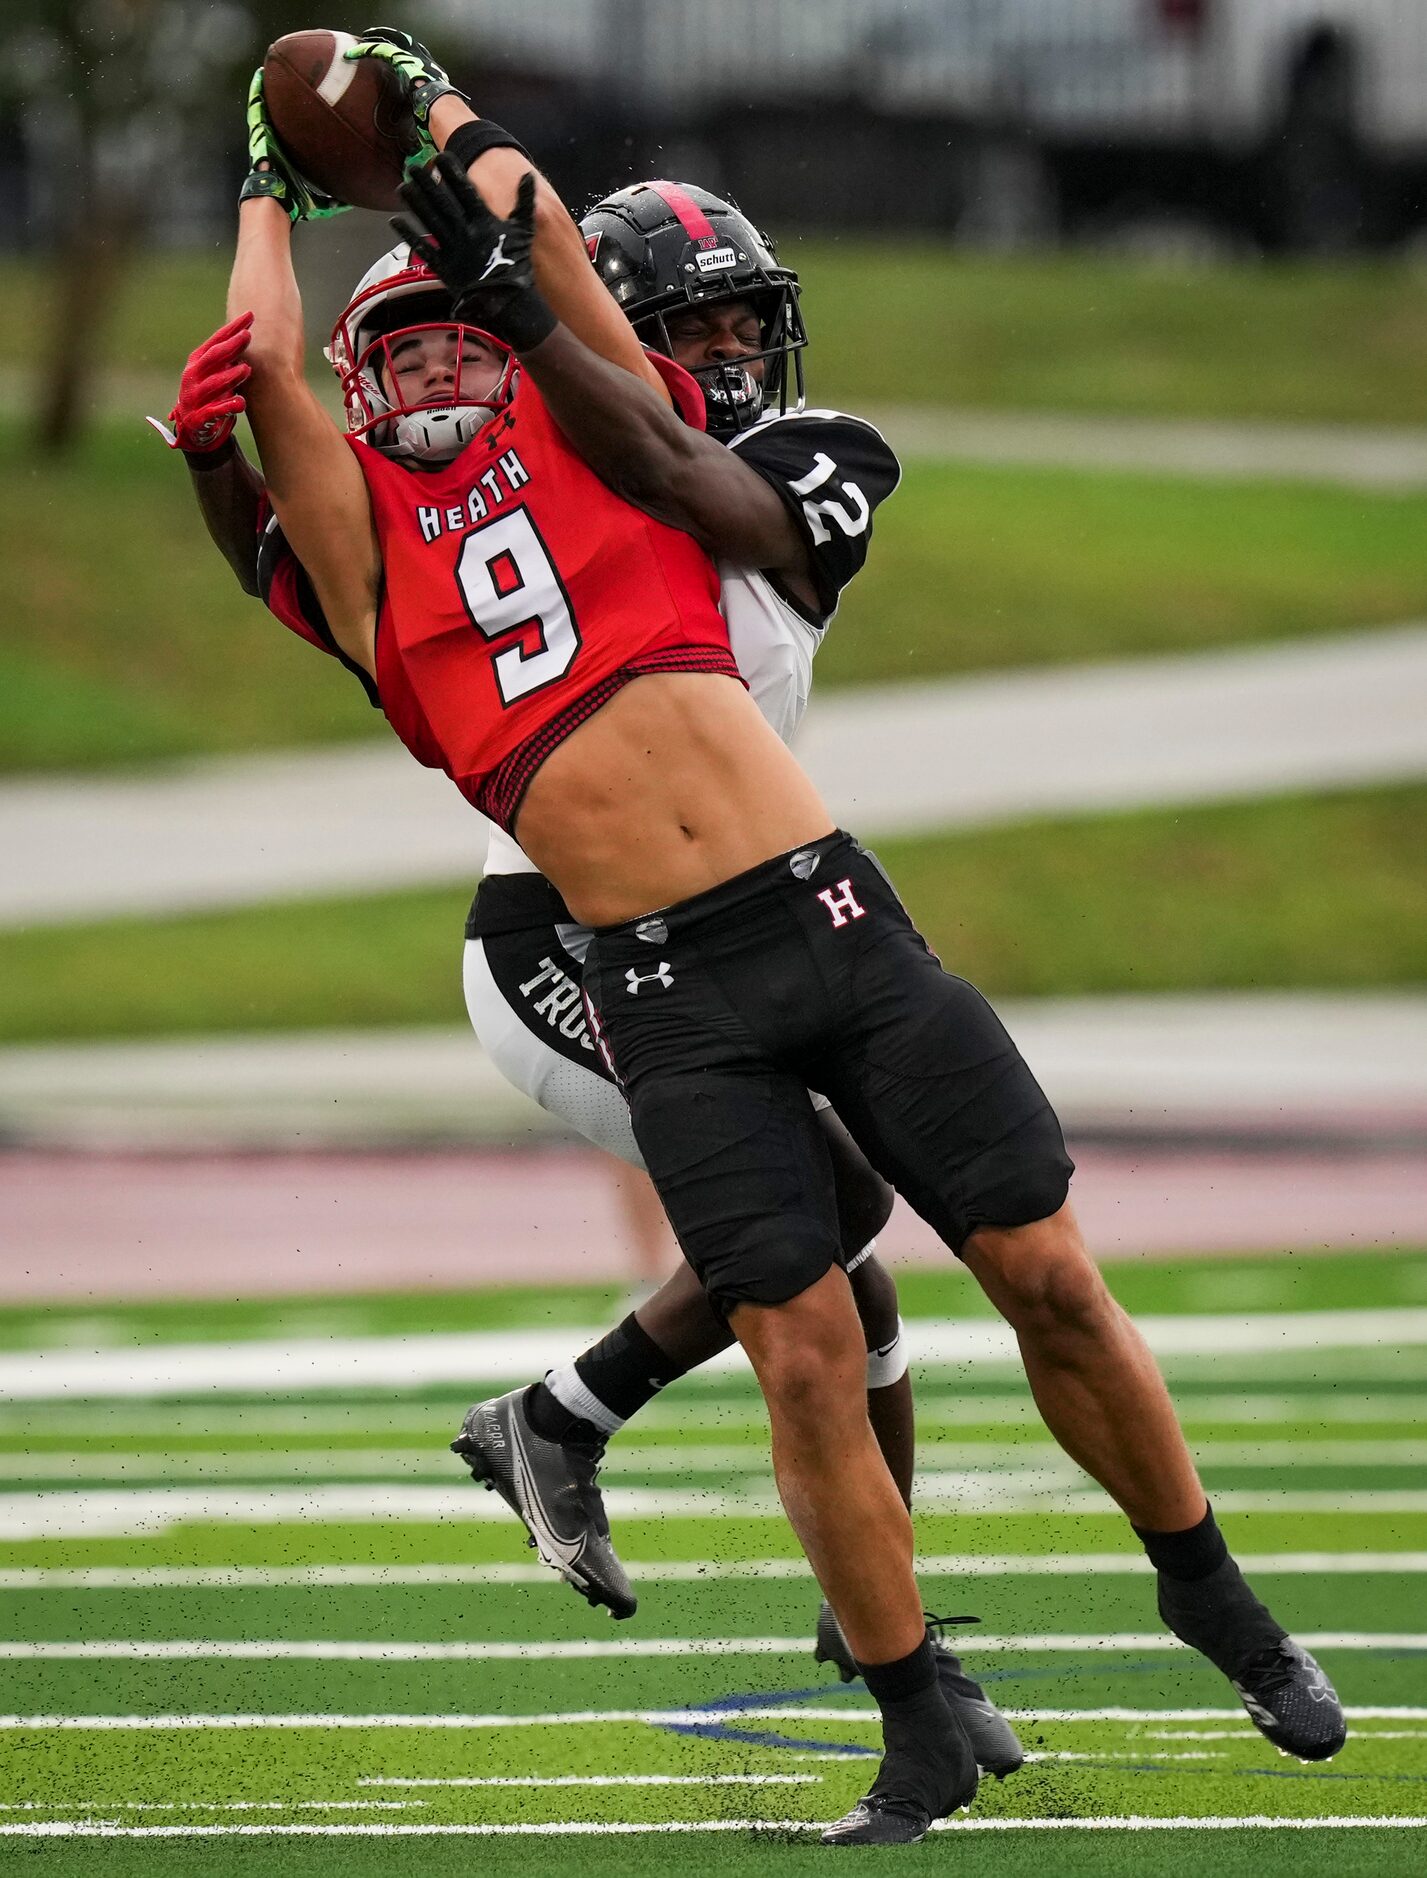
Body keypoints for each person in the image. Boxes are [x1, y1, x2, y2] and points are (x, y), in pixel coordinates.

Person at [186, 27, 1344, 1841]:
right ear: (348, 399)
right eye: (389, 364)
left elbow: (548, 260)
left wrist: (432, 116)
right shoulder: (373, 588)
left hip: (822, 904)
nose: (428, 381)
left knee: (1044, 1268)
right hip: (644, 972)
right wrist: (261, 178)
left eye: (449, 351)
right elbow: (261, 371)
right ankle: (912, 1722)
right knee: (804, 1327)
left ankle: (1211, 1591)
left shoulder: (620, 456)